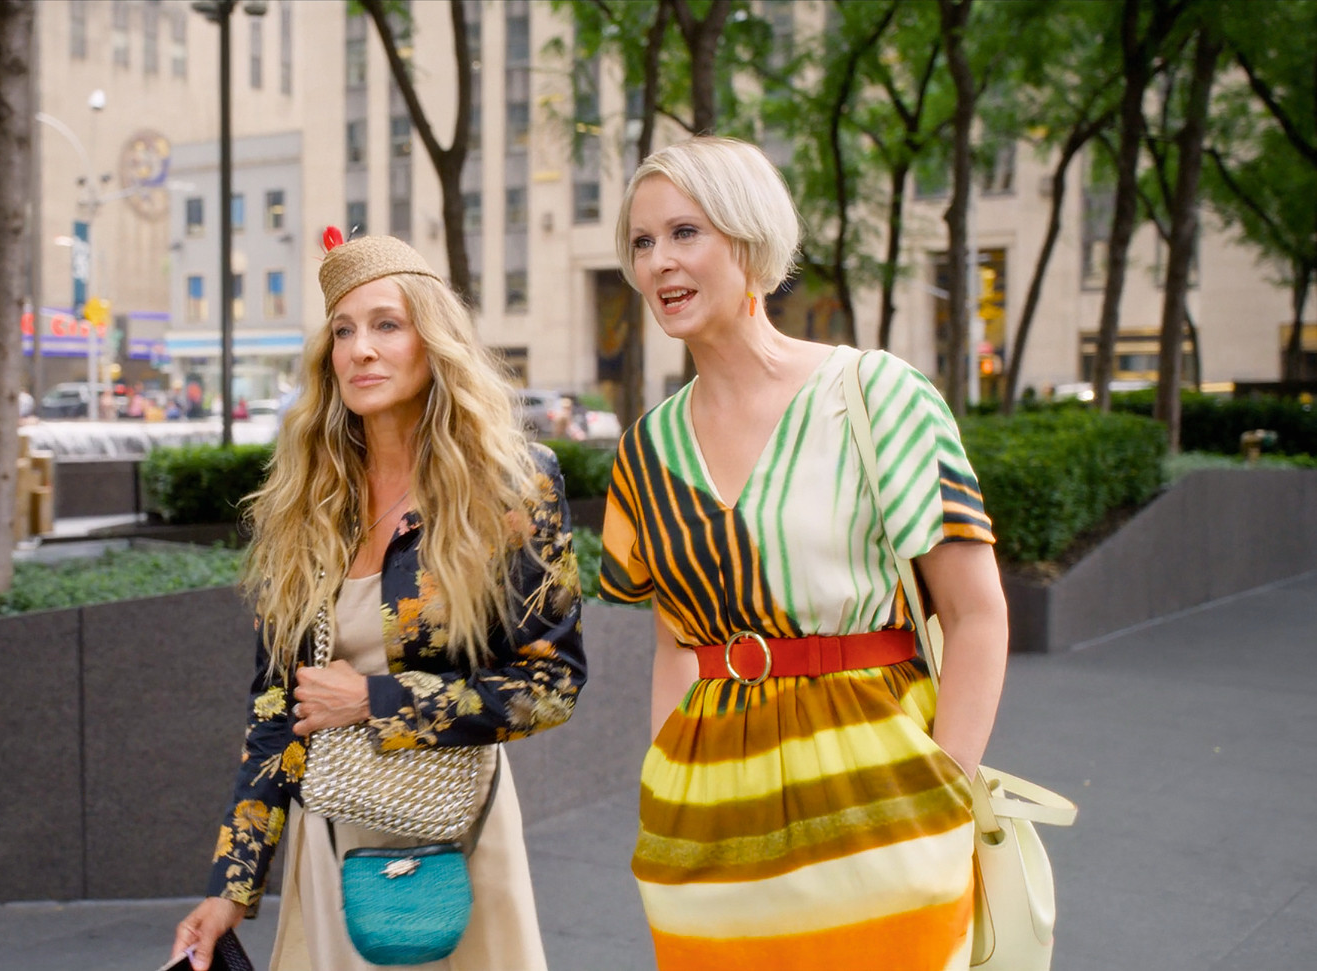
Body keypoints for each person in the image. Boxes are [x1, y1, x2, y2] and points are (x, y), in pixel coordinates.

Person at [598, 137, 1007, 969]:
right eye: (642, 241)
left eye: (685, 232)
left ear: (749, 239)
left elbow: (976, 613)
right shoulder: (646, 450)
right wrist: (662, 789)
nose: (658, 261)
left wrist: (947, 791)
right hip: (705, 831)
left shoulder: (877, 395)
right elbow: (675, 644)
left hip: (885, 815)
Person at [171, 234, 586, 971]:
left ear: (434, 341)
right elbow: (275, 710)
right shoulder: (306, 502)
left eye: (387, 324)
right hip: (333, 842)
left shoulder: (510, 485)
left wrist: (374, 700)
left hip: (454, 835)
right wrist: (231, 887)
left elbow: (551, 685)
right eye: (343, 330)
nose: (360, 348)